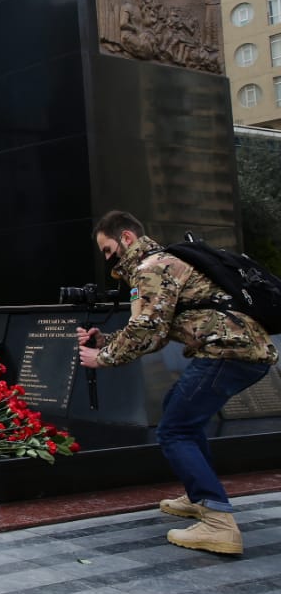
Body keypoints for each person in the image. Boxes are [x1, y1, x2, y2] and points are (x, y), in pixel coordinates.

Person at [78, 211, 277, 555]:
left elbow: (147, 330)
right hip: (240, 350)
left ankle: (218, 523)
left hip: (226, 351)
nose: (107, 258)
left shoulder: (151, 267)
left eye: (108, 249)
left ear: (127, 238)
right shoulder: (165, 263)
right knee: (178, 412)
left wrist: (103, 357)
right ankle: (199, 497)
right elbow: (160, 329)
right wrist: (106, 340)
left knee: (174, 430)